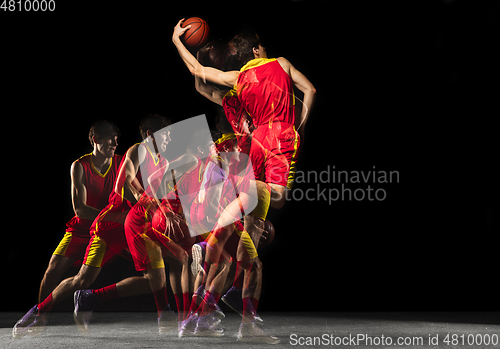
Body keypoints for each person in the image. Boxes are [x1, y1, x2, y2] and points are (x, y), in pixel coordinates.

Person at [12, 120, 123, 338]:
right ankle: (40, 318)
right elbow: (80, 209)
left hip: (106, 230)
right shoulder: (79, 166)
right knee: (53, 270)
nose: (116, 143)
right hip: (81, 228)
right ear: (95, 139)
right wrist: (114, 215)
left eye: (117, 139)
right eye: (111, 138)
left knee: (87, 278)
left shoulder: (121, 163)